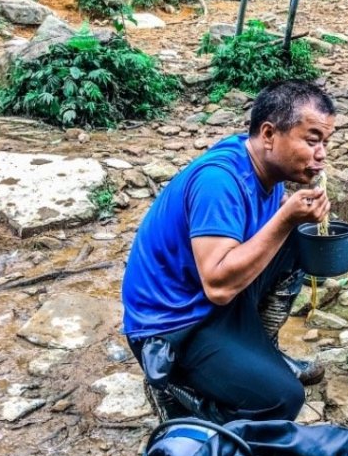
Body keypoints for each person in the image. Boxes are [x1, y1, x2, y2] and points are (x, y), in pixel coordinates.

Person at [122, 79, 336, 422]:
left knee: (300, 239)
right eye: (312, 141)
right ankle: (178, 395)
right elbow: (219, 287)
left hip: (209, 298)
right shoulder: (218, 181)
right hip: (173, 325)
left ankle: (262, 350)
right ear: (268, 135)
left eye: (325, 142)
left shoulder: (268, 166)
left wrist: (291, 219)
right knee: (282, 399)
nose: (321, 154)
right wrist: (285, 218)